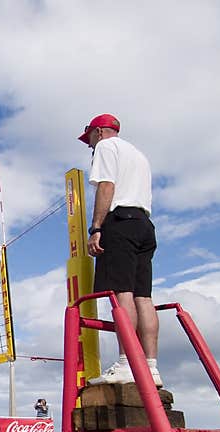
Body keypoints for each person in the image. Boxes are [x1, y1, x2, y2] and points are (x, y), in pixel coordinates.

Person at [79, 113, 163, 388]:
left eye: (89, 137)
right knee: (143, 296)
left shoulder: (106, 147)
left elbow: (106, 186)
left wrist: (96, 228)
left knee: (121, 293)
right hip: (144, 224)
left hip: (120, 222)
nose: (90, 145)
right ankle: (151, 367)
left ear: (100, 132)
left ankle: (127, 362)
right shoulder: (139, 154)